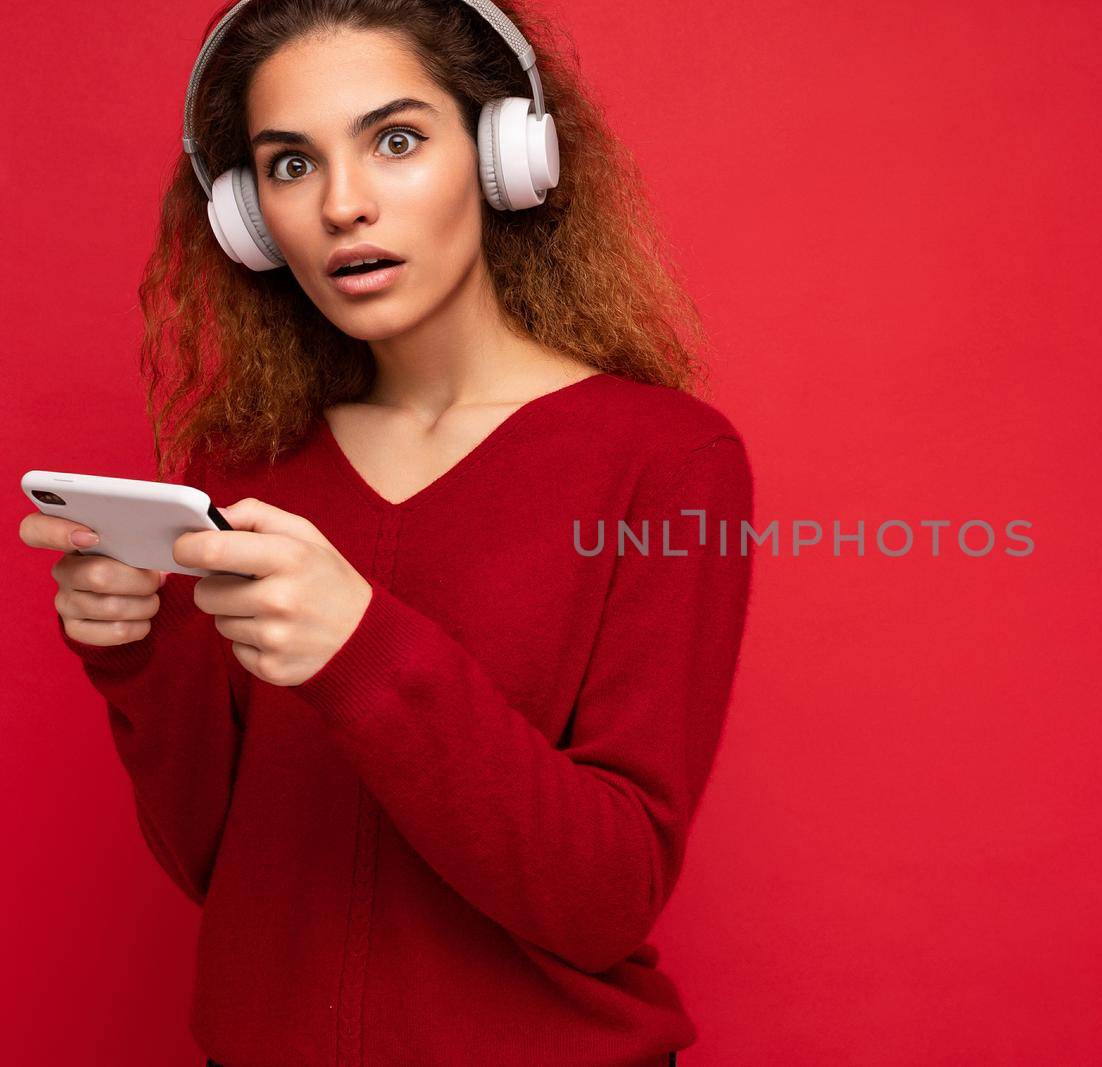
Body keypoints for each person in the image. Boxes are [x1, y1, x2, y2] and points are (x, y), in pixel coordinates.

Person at [18, 1, 749, 1064]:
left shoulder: (669, 461)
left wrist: (362, 649)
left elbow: (604, 898)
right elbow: (224, 872)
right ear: (250, 215)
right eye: (290, 164)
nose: (342, 205)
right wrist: (136, 655)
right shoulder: (244, 467)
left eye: (395, 140)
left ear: (505, 157)